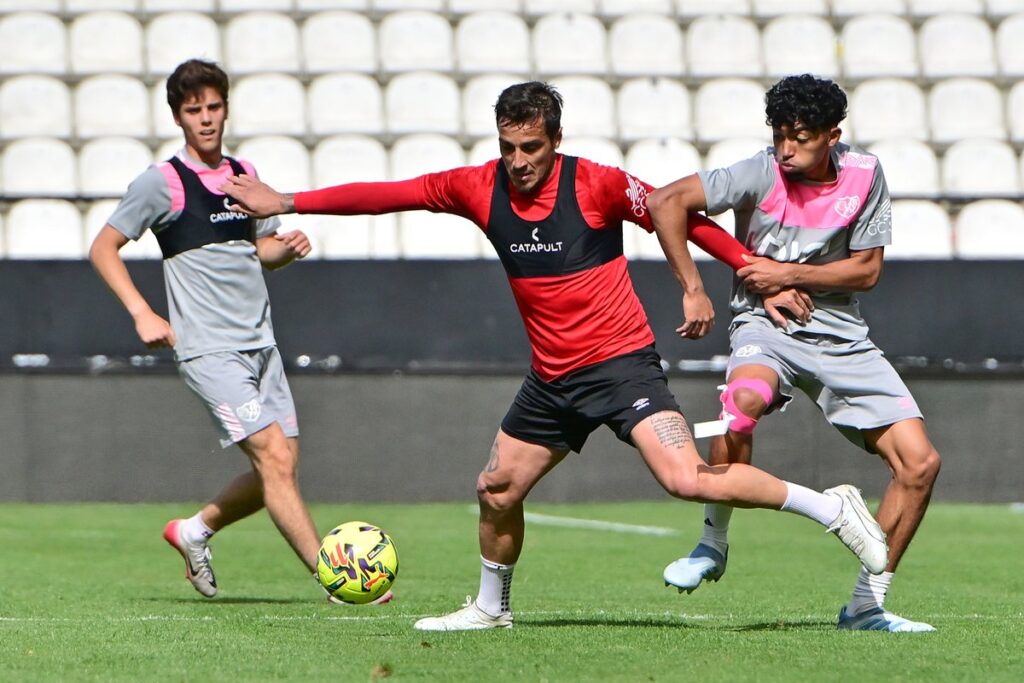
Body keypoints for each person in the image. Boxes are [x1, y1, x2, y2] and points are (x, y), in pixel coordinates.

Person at [221, 81, 888, 631]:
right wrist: (286, 201)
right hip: (551, 378)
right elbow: (389, 194)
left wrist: (746, 275)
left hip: (622, 366)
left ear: (556, 140)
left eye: (531, 146)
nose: (519, 160)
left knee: (686, 479)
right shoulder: (477, 187)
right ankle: (491, 607)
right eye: (509, 146)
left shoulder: (595, 184)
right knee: (496, 488)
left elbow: (676, 213)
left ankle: (832, 508)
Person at [648, 74, 941, 632]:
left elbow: (868, 270)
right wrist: (694, 287)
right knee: (741, 403)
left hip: (840, 333)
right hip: (766, 323)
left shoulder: (866, 174)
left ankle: (866, 605)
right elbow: (666, 202)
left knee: (920, 463)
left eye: (800, 137)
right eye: (779, 134)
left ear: (833, 135)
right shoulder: (760, 170)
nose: (786, 149)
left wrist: (787, 272)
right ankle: (713, 543)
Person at [89, 59, 386, 605]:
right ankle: (336, 578)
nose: (205, 119)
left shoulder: (242, 174)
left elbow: (259, 252)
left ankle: (194, 530)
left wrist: (284, 249)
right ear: (178, 117)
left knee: (281, 465)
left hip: (262, 345)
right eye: (193, 110)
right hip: (209, 350)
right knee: (275, 459)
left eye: (213, 107)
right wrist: (141, 312)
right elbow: (103, 248)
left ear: (226, 108)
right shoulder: (162, 184)